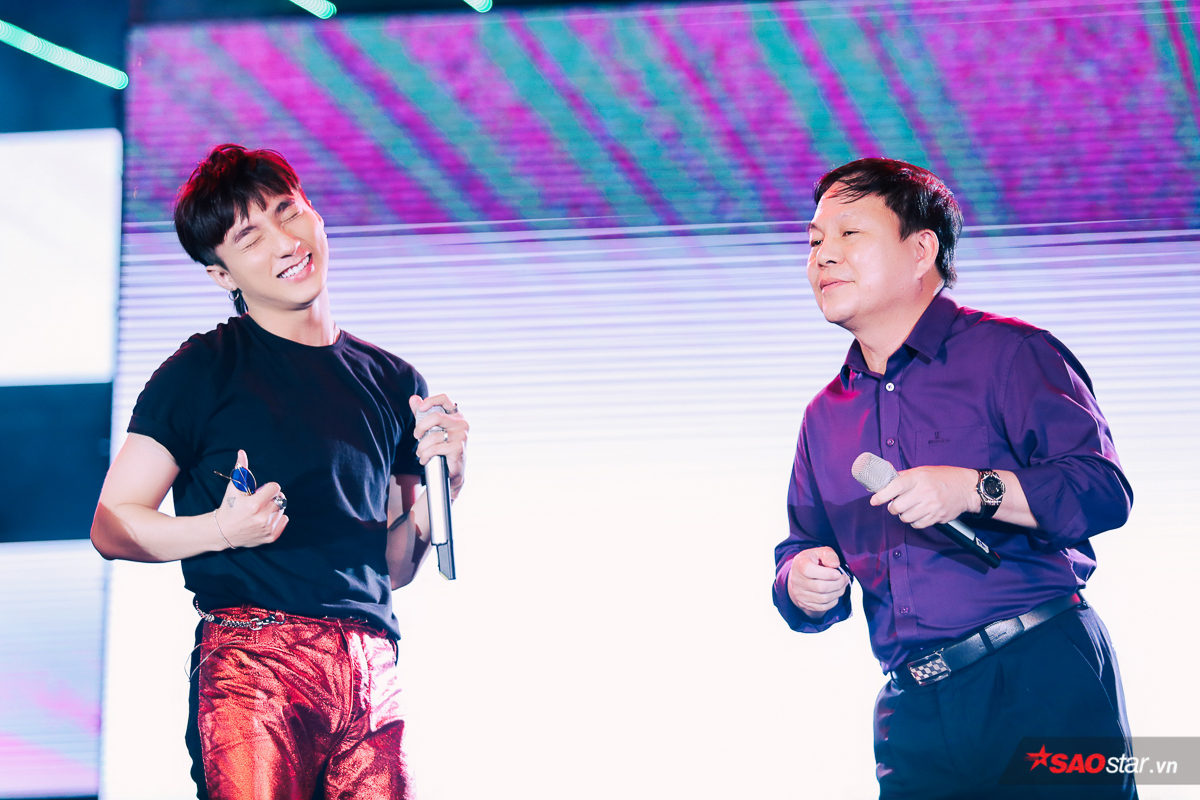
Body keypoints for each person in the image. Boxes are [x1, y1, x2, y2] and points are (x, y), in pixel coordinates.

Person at [91, 144, 467, 799]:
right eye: (250, 235)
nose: (286, 242)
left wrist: (441, 497)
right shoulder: (203, 370)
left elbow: (390, 569)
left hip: (373, 666)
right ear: (222, 274)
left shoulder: (393, 381)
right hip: (256, 663)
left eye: (289, 212)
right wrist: (221, 530)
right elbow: (111, 524)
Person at [772, 158, 1135, 799]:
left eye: (849, 234)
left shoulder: (1012, 354)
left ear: (921, 251)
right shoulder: (824, 416)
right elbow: (802, 544)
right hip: (912, 714)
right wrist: (801, 581)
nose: (823, 255)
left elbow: (1103, 491)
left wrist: (971, 488)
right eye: (814, 240)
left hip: (1039, 678)